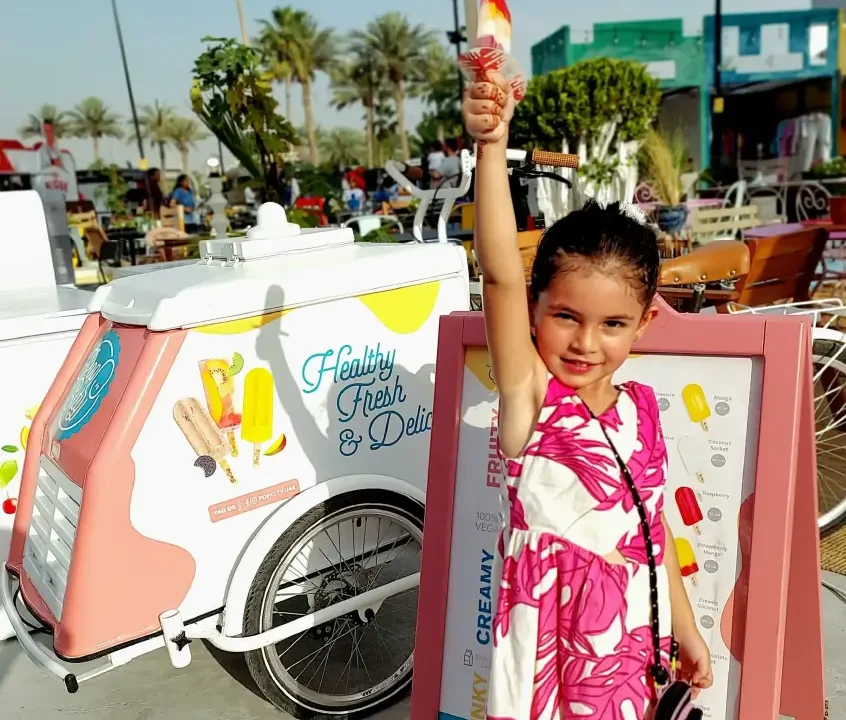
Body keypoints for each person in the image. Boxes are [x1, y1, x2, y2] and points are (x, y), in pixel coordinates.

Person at [463, 72, 712, 719]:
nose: (584, 343)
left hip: (627, 649)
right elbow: (496, 272)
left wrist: (683, 626)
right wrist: (493, 147)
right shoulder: (531, 400)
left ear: (644, 324)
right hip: (545, 663)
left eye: (612, 324)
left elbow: (649, 531)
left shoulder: (643, 412)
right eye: (566, 316)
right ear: (534, 310)